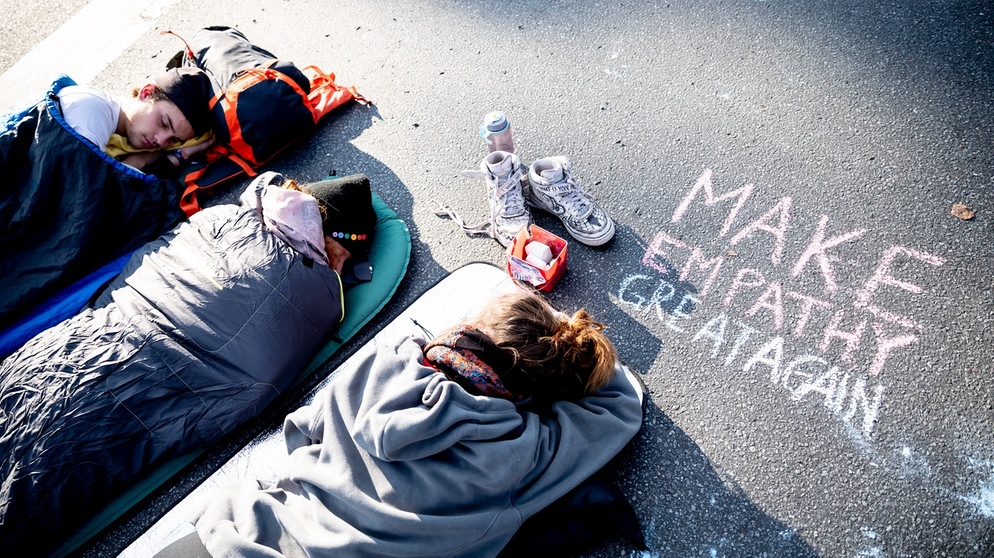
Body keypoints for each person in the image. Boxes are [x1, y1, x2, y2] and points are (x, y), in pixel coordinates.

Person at [0, 170, 377, 553]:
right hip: (120, 397)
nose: (339, 272)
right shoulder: (314, 292)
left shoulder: (219, 217)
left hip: (64, 344)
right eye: (337, 257)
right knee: (26, 493)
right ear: (323, 233)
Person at [156, 291, 644, 557]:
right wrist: (559, 339)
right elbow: (622, 404)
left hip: (237, 531)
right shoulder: (515, 449)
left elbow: (302, 429)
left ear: (459, 334)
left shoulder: (380, 366)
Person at [55, 66, 217, 171]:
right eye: (164, 123)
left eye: (174, 140)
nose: (160, 141)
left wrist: (178, 155)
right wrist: (142, 160)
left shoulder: (119, 138)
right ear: (146, 93)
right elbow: (92, 194)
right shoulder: (92, 107)